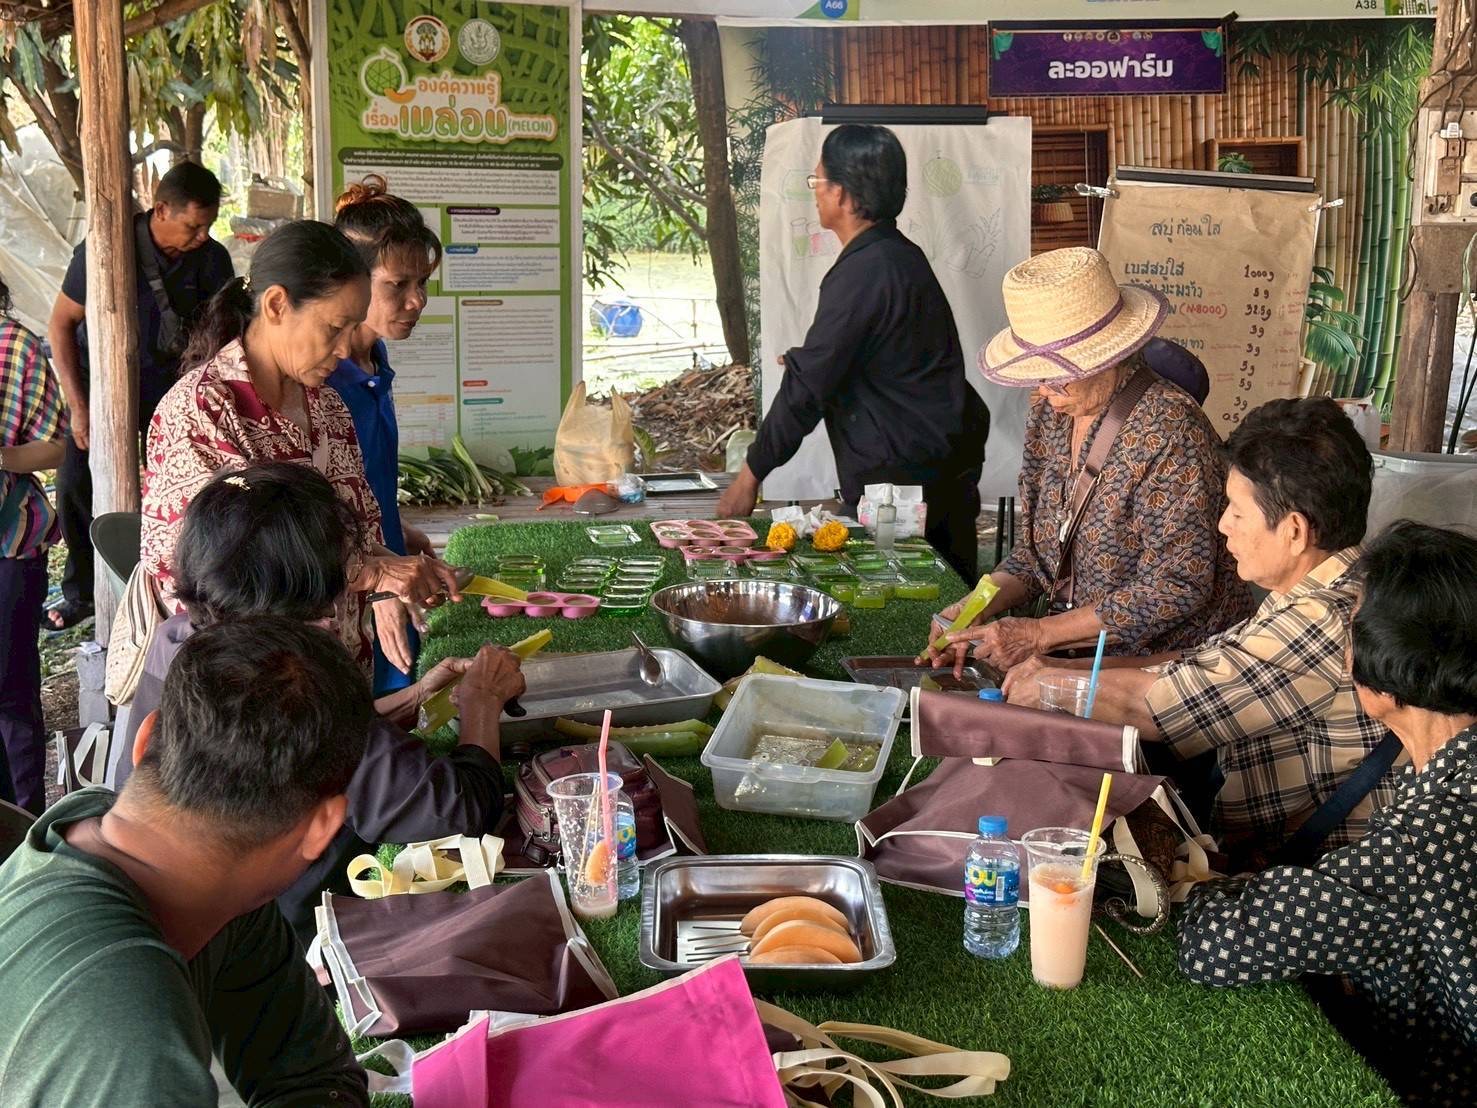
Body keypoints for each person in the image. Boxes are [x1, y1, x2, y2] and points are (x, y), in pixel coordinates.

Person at [122, 462, 521, 940]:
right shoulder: (289, 677)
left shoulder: (176, 637)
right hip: (276, 929)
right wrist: (481, 703)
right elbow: (454, 813)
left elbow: (301, 746)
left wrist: (409, 698)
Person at [1004, 398, 1395, 868]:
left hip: (1304, 876)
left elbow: (1154, 704)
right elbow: (1202, 661)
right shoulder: (1338, 578)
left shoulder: (1323, 619)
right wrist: (1067, 666)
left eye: (1235, 510)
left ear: (1293, 531)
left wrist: (1048, 685)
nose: (1222, 525)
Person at [0, 618, 371, 1105]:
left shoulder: (210, 882)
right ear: (322, 827)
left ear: (145, 738)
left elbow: (310, 1079)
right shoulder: (133, 1049)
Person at [1178, 521, 1477, 1107]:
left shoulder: (1424, 841)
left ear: (1389, 668)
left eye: (1354, 628)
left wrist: (1199, 886)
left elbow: (1215, 944)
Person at [140, 219, 458, 674]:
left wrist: (398, 568)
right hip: (248, 687)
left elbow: (351, 535)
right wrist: (370, 573)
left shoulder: (326, 405)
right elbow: (217, 577)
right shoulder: (202, 413)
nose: (346, 349)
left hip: (331, 673)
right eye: (334, 327)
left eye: (352, 327)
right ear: (276, 305)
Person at [925, 247, 1251, 672]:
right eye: (1037, 375)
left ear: (1107, 355)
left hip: (1161, 666)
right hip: (1075, 654)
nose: (1044, 390)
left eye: (1056, 375)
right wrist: (973, 609)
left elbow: (1176, 586)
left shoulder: (1171, 428)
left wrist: (1038, 635)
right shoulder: (1052, 409)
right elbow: (1035, 556)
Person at [715, 124, 990, 582]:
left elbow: (809, 387)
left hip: (906, 486)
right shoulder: (899, 256)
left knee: (913, 609)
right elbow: (879, 358)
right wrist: (815, 360)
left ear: (842, 195)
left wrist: (750, 476)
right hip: (933, 470)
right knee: (936, 608)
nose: (815, 192)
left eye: (817, 181)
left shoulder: (866, 271)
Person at [47, 161, 234, 630]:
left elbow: (226, 331)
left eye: (208, 225)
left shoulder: (211, 259)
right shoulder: (105, 249)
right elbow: (61, 325)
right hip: (101, 381)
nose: (201, 236)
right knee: (74, 482)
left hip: (173, 384)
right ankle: (82, 591)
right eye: (193, 225)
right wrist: (79, 406)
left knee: (190, 487)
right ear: (161, 209)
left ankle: (189, 582)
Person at [330, 176, 442, 694]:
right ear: (350, 281)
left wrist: (402, 534)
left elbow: (365, 482)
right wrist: (377, 593)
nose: (417, 300)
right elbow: (318, 512)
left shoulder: (375, 357)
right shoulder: (319, 376)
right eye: (397, 285)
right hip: (342, 589)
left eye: (422, 282)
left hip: (385, 567)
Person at [0, 273, 68, 813]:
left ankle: (19, 827)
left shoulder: (14, 345)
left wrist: (2, 457)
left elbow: (53, 449)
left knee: (10, 698)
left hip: (7, 549)